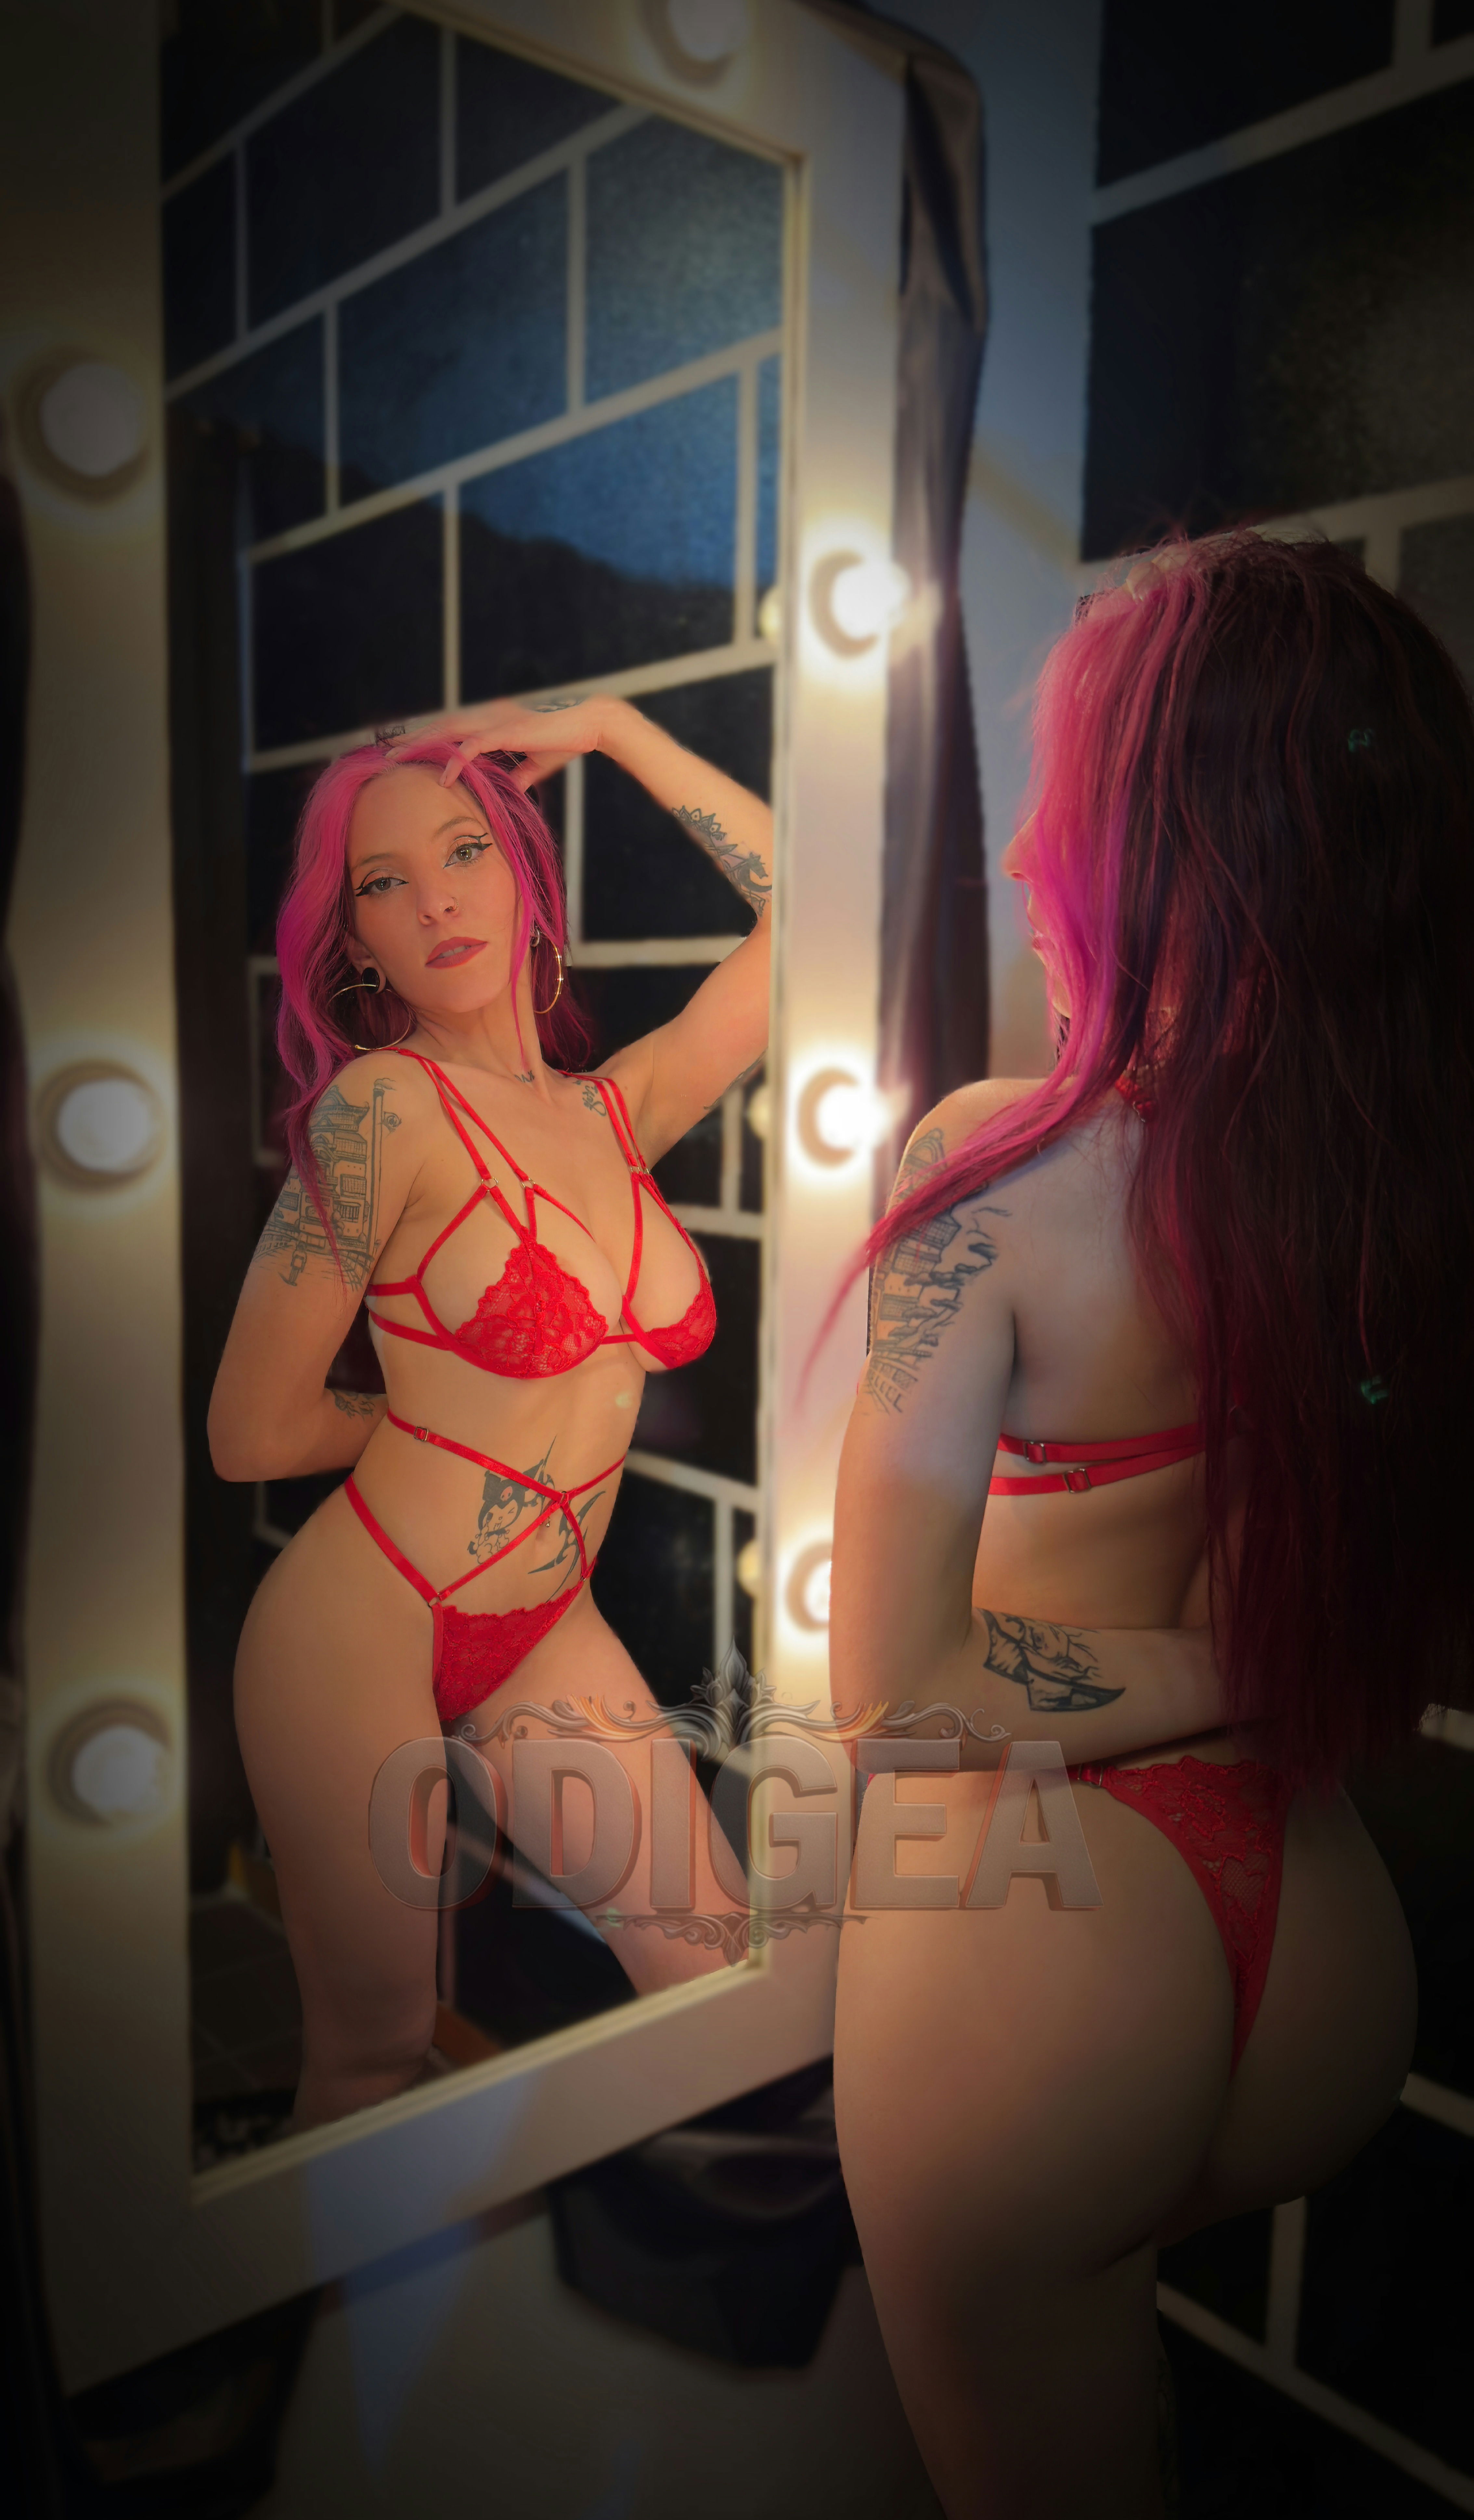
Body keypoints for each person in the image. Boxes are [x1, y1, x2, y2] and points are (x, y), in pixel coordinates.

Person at [829, 532, 1473, 2517]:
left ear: (1198, 850)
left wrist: (1223, 1662)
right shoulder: (1412, 1191)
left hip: (1041, 1936)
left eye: (1075, 810)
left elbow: (902, 1699)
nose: (1026, 858)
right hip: (1329, 1951)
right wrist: (1274, 1666)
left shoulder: (997, 1169)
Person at [210, 696, 772, 2128]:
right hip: (361, 1623)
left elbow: (814, 919)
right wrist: (425, 1424)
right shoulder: (381, 1111)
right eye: (382, 883)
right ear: (357, 944)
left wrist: (620, 731)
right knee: (378, 2052)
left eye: (466, 851)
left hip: (541, 1624)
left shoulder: (616, 1111)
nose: (437, 902)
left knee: (718, 1968)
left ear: (528, 876)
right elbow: (251, 1434)